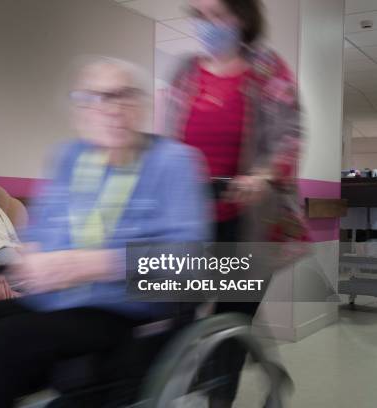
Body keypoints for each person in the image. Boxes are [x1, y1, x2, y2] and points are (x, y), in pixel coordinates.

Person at [0, 56, 210, 408]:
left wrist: (93, 264)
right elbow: (44, 227)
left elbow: (190, 259)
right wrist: (33, 253)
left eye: (121, 95)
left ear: (141, 104)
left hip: (121, 308)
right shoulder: (69, 156)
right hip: (55, 300)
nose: (108, 109)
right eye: (92, 99)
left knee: (3, 342)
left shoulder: (174, 161)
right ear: (79, 111)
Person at [164, 0, 307, 406]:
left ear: (242, 16)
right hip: (189, 222)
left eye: (219, 15)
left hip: (248, 223)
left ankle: (220, 398)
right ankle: (186, 391)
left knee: (231, 322)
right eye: (201, 16)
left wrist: (262, 176)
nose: (208, 25)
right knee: (176, 319)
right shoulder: (185, 73)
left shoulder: (267, 70)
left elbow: (290, 135)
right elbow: (166, 142)